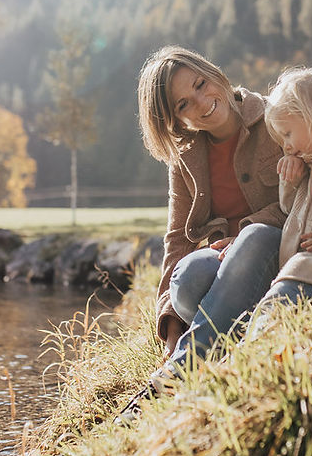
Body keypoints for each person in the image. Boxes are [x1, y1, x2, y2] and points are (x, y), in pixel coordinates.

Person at [116, 45, 286, 423]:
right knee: (190, 276)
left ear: (214, 74)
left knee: (255, 237)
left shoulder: (276, 115)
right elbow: (176, 240)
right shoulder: (185, 157)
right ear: (175, 120)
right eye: (183, 104)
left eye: (199, 84)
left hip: (278, 251)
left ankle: (178, 374)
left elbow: (303, 195)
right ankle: (220, 332)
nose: (201, 102)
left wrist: (243, 231)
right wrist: (172, 329)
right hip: (221, 271)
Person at [249, 66, 312, 325]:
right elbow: (288, 207)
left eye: (288, 134)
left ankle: (250, 348)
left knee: (275, 307)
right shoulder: (308, 162)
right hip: (299, 267)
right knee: (272, 303)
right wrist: (291, 180)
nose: (287, 146)